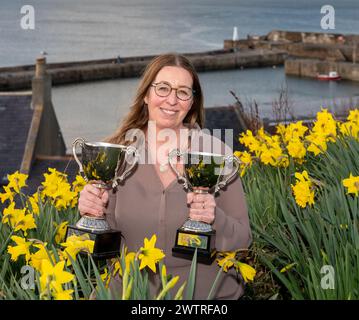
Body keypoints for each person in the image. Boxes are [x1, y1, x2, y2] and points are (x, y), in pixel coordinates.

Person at [78, 53, 252, 299]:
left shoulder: (215, 154)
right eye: (163, 88)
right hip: (130, 293)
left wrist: (214, 218)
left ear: (192, 102)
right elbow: (105, 241)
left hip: (205, 297)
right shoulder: (118, 153)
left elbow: (243, 241)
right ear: (146, 95)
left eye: (182, 92)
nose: (172, 99)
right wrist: (92, 211)